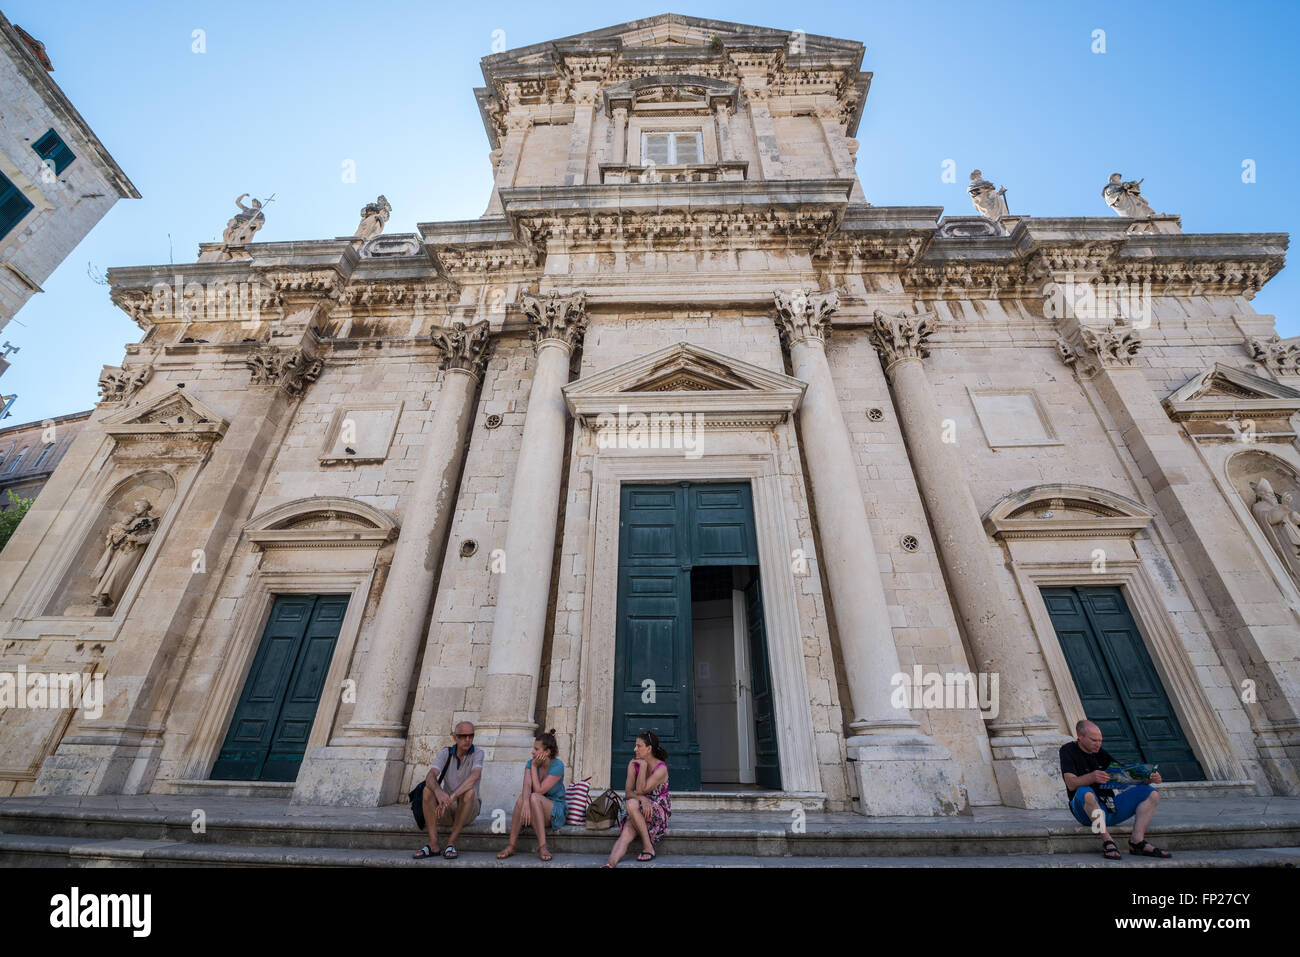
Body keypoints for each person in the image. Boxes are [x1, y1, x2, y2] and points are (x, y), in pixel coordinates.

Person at [1060, 719, 1169, 860]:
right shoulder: (1068, 750)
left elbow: (1123, 779)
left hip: (1110, 809)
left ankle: (1137, 842)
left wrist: (1148, 779)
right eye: (1094, 740)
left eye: (1100, 740)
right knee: (1084, 791)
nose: (1098, 744)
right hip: (1086, 813)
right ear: (1080, 736)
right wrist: (1091, 777)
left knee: (1150, 792)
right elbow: (1071, 783)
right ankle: (1107, 841)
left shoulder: (1101, 753)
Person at [414, 721, 483, 860]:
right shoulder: (446, 753)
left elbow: (474, 776)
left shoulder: (478, 753)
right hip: (446, 808)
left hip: (468, 809)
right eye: (463, 736)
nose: (468, 740)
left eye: (471, 736)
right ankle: (433, 844)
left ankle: (451, 842)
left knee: (470, 792)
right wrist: (439, 792)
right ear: (455, 738)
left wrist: (452, 796)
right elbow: (430, 775)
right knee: (428, 790)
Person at [497, 729, 566, 862]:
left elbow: (539, 791)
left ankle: (543, 846)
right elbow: (527, 787)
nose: (532, 752)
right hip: (535, 808)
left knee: (534, 797)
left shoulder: (558, 765)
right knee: (521, 799)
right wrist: (526, 804)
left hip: (554, 810)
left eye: (536, 749)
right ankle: (511, 846)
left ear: (547, 752)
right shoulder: (530, 762)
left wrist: (534, 767)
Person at [604, 731, 670, 867]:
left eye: (638, 746)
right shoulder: (633, 764)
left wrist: (644, 765)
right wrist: (643, 799)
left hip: (657, 810)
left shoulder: (661, 768)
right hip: (637, 808)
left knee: (632, 803)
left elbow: (640, 790)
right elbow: (628, 793)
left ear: (649, 749)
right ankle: (610, 863)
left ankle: (647, 847)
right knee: (626, 832)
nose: (635, 749)